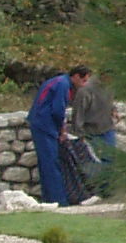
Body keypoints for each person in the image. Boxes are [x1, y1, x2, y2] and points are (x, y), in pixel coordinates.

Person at [28, 65, 92, 207]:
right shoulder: (62, 85)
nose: (84, 84)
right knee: (51, 162)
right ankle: (57, 200)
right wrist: (62, 131)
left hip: (42, 124)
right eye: (83, 80)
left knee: (48, 162)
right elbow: (58, 110)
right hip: (44, 125)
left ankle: (50, 197)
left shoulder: (59, 81)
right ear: (75, 76)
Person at [70, 70, 117, 199]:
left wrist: (113, 110)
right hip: (91, 131)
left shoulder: (110, 87)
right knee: (93, 162)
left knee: (110, 159)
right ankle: (94, 191)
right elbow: (78, 115)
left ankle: (107, 189)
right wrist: (80, 135)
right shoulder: (85, 91)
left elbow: (109, 102)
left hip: (107, 128)